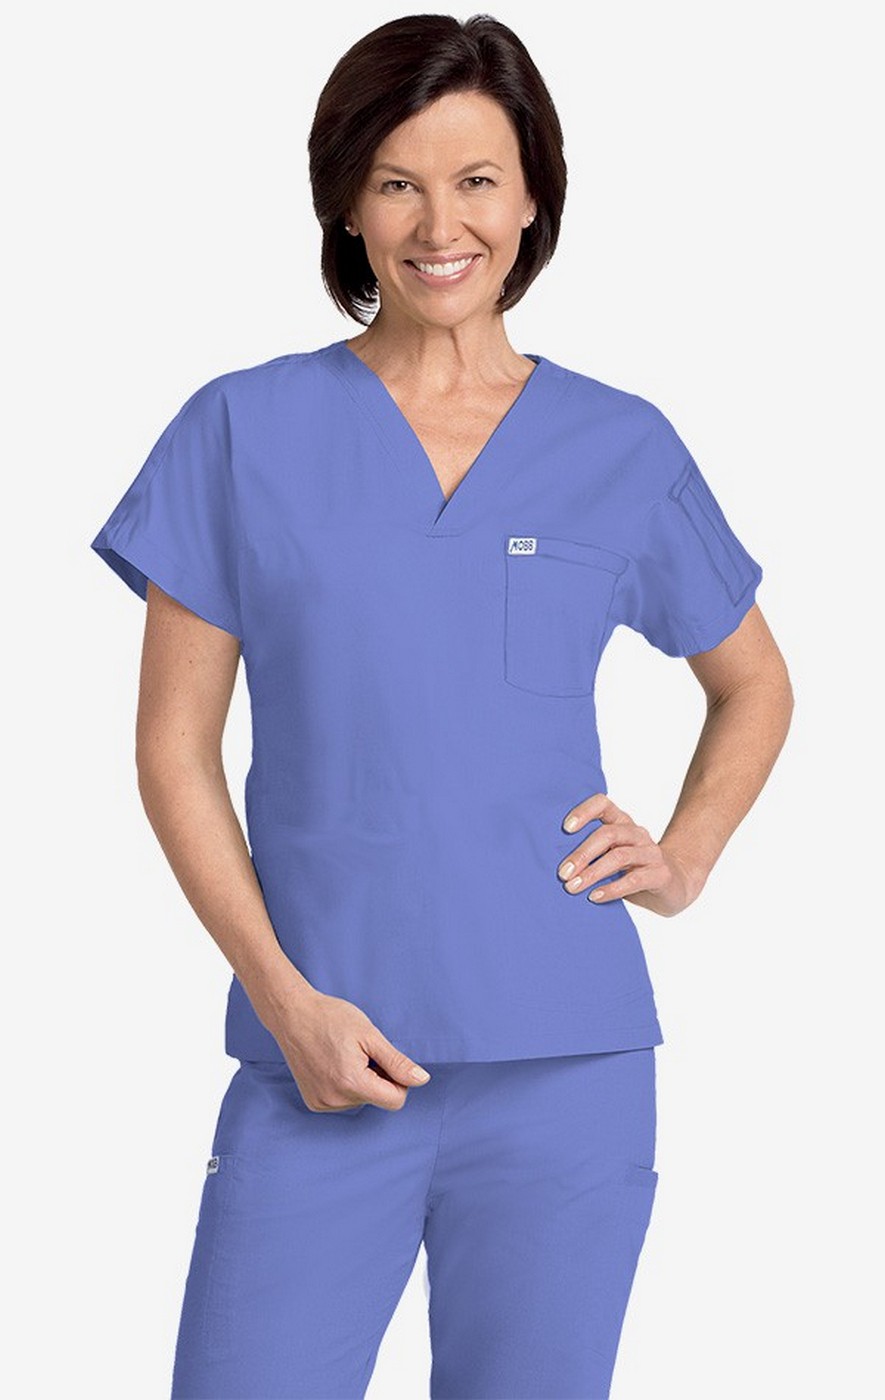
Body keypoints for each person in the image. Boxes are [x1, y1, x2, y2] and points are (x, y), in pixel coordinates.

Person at [88, 13, 793, 1400]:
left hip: (569, 1060)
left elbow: (754, 680)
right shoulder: (240, 429)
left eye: (476, 181)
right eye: (396, 182)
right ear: (347, 205)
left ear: (531, 199)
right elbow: (173, 750)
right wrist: (281, 998)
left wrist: (685, 857)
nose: (437, 224)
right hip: (321, 1054)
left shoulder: (619, 444)